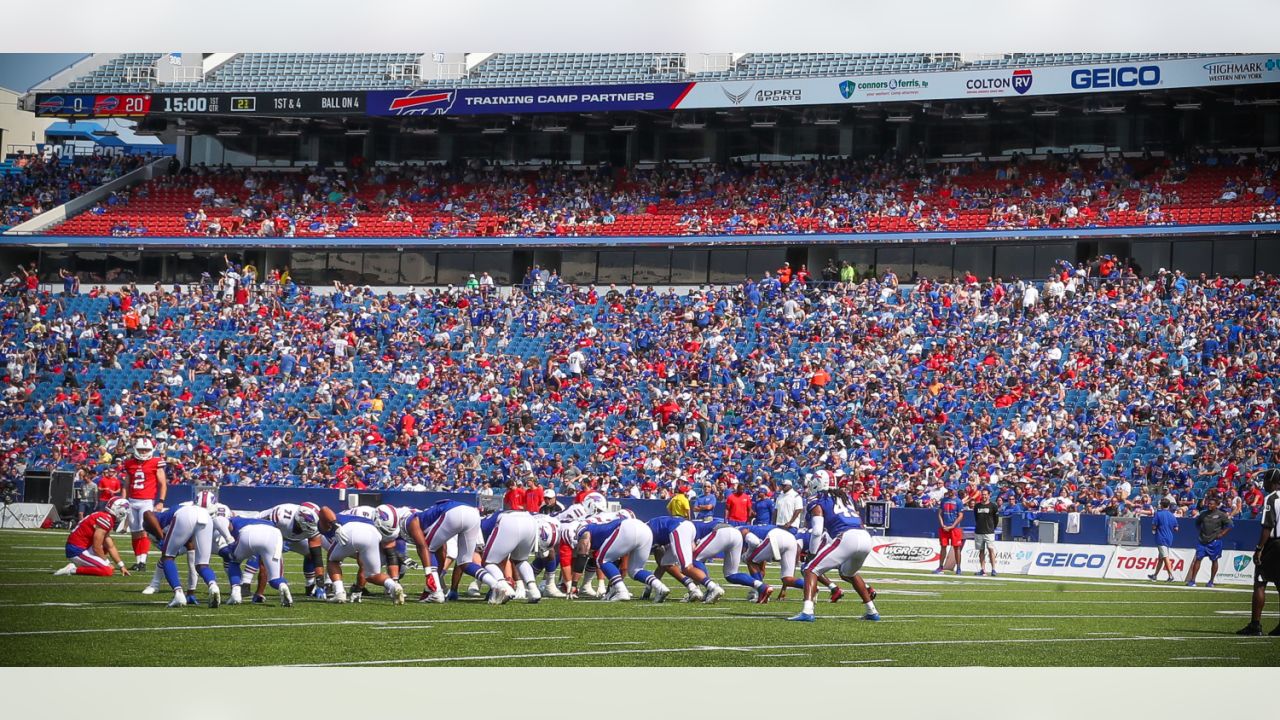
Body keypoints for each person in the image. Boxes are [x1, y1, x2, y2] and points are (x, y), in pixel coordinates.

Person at [787, 475, 880, 622]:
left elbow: (817, 531)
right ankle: (872, 611)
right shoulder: (845, 497)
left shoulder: (817, 500)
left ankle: (807, 611)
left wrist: (812, 553)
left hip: (847, 536)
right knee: (848, 572)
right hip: (865, 537)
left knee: (810, 569)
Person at [142, 491, 222, 608]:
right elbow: (192, 560)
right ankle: (213, 586)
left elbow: (147, 514)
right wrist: (191, 591)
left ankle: (178, 594)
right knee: (202, 565)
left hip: (184, 516)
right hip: (207, 519)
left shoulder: (183, 509)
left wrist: (161, 537)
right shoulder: (208, 512)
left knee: (168, 557)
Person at [321, 506, 407, 604]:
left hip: (349, 530)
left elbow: (324, 509)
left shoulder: (336, 518)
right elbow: (363, 563)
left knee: (333, 561)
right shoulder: (374, 523)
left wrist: (335, 525)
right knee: (372, 575)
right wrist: (358, 589)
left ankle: (339, 592)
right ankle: (393, 585)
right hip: (373, 536)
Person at [573, 516, 670, 602]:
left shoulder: (584, 530)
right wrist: (610, 590)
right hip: (645, 530)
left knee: (601, 560)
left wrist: (573, 585)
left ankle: (622, 591)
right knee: (635, 570)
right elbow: (614, 563)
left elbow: (583, 550)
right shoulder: (600, 529)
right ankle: (661, 587)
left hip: (627, 528)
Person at [215, 512, 294, 607]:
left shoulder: (234, 520)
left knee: (234, 562)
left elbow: (218, 520)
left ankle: (236, 592)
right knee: (275, 578)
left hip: (248, 532)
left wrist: (229, 539)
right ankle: (283, 586)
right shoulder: (268, 522)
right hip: (274, 534)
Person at [1237, 469, 1280, 636]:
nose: (1265, 484)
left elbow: (1267, 526)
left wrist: (1259, 548)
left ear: (1271, 481)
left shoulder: (1272, 498)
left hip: (1274, 544)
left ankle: (1255, 625)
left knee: (1260, 582)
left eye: (1266, 481)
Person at [54, 498, 132, 578]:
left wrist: (121, 565)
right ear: (119, 509)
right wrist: (107, 562)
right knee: (107, 570)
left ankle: (95, 563)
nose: (126, 511)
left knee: (109, 542)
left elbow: (110, 546)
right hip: (77, 550)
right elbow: (96, 547)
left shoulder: (105, 516)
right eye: (125, 508)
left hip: (81, 546)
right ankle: (72, 570)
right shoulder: (106, 519)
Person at [122, 437, 167, 571]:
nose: (143, 452)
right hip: (132, 501)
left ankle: (143, 561)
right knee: (135, 532)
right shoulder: (129, 463)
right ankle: (138, 561)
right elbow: (126, 483)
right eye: (141, 449)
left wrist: (161, 501)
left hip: (146, 501)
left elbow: (163, 484)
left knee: (143, 532)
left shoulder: (156, 462)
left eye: (146, 450)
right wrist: (123, 500)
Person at [1186, 493, 1233, 588]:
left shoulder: (1221, 515)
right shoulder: (1203, 514)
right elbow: (1197, 523)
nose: (1209, 505)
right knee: (1198, 559)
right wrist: (1201, 531)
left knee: (1214, 560)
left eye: (1211, 504)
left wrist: (1222, 534)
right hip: (1202, 541)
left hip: (1214, 542)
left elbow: (1230, 525)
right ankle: (1192, 580)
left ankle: (1211, 581)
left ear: (1216, 505)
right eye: (1208, 503)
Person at [934, 487, 965, 575]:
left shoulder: (958, 501)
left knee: (956, 548)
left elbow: (960, 516)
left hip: (955, 528)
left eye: (952, 490)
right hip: (944, 527)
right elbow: (940, 513)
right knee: (943, 546)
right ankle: (940, 566)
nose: (950, 492)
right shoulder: (944, 500)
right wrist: (942, 524)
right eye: (949, 490)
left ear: (955, 491)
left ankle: (958, 567)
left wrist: (952, 526)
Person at [1149, 498, 1180, 582]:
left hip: (1161, 537)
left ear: (1161, 505)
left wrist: (1154, 530)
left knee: (1165, 557)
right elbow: (1176, 528)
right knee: (1161, 558)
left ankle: (1171, 575)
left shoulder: (1158, 514)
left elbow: (1154, 526)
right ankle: (1155, 575)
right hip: (1169, 538)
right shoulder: (1171, 515)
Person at [971, 489, 1000, 576]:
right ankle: (983, 569)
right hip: (979, 531)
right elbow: (976, 518)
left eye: (985, 495)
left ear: (989, 495)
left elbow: (996, 519)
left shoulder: (993, 506)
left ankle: (993, 569)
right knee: (981, 551)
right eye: (982, 495)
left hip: (989, 532)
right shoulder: (977, 506)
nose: (984, 496)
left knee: (991, 550)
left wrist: (992, 528)